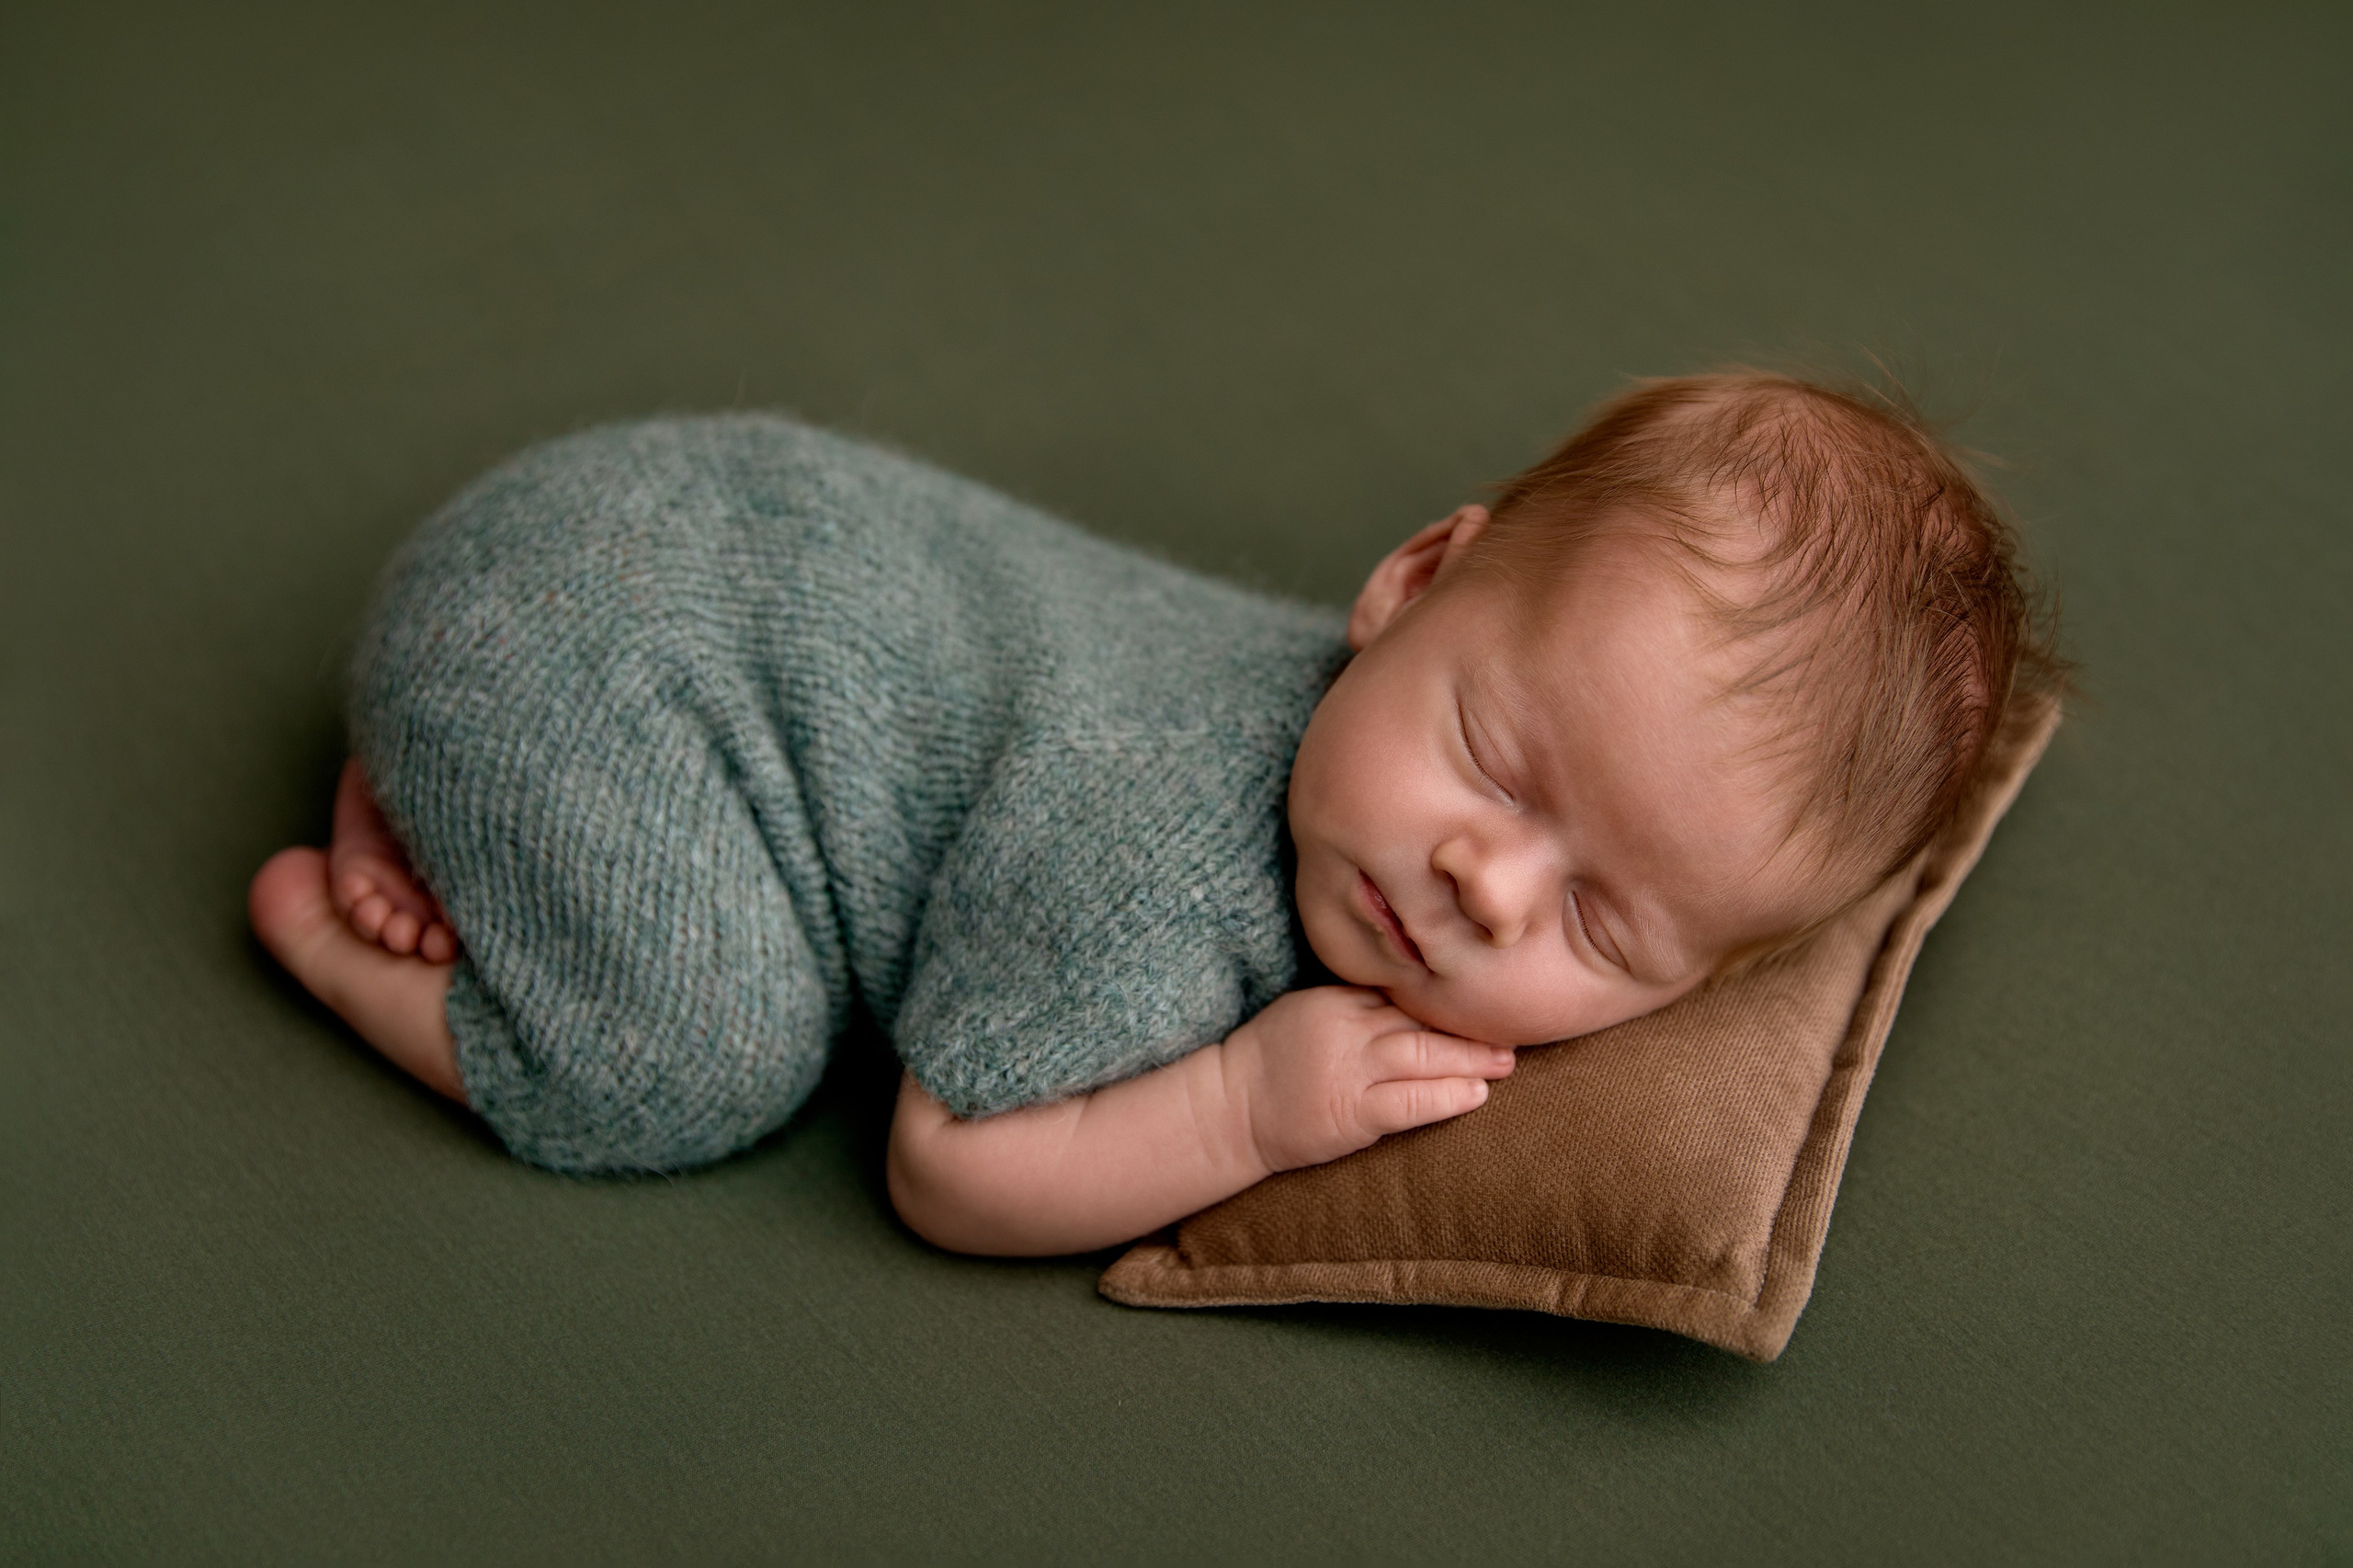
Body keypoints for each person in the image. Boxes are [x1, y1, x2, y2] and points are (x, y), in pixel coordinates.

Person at [248, 370, 2058, 1256]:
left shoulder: (1364, 715)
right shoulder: (1155, 881)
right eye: (1494, 764)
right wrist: (1240, 1104)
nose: (1485, 882)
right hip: (578, 637)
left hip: (638, 540)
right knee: (697, 1063)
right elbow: (944, 1166)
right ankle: (358, 923)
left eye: (1600, 927)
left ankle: (466, 800)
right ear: (1414, 580)